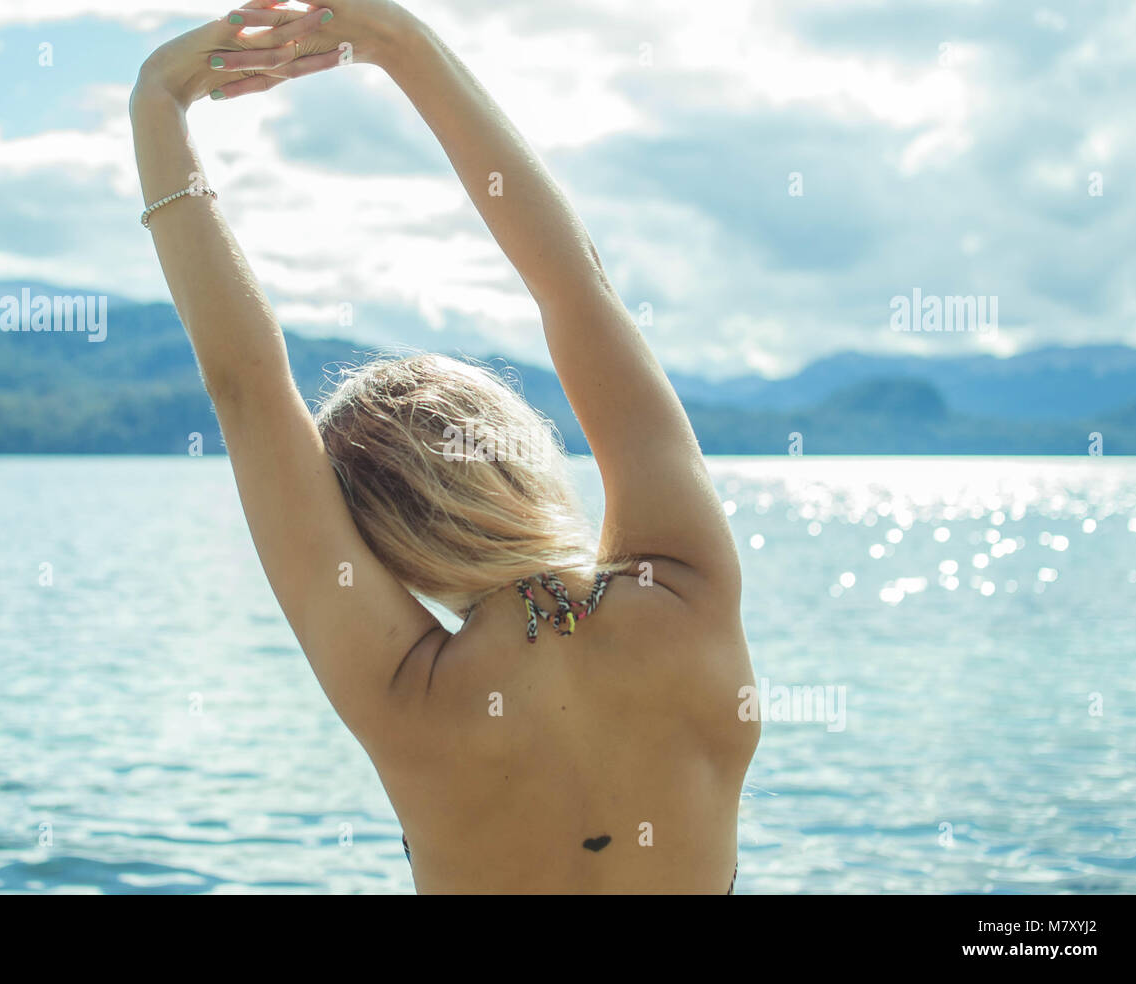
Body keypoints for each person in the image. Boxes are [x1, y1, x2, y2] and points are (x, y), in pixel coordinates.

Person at [131, 0, 758, 894]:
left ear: (381, 547)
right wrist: (400, 42)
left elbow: (247, 394)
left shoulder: (406, 694)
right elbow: (575, 286)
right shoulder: (687, 591)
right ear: (517, 444)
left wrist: (157, 102)